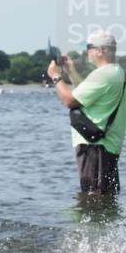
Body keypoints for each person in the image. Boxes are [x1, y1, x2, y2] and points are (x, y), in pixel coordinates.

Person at [47, 30, 126, 195]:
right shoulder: (115, 72)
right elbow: (86, 94)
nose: (86, 52)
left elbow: (70, 100)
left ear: (100, 50)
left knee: (92, 202)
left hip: (96, 148)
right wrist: (71, 71)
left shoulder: (104, 74)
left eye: (89, 47)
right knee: (104, 202)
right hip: (106, 148)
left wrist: (55, 76)